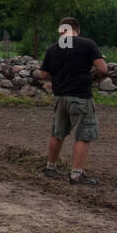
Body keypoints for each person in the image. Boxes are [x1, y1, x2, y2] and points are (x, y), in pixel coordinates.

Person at [34, 17, 108, 185]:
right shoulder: (88, 44)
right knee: (84, 134)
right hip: (80, 96)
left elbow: (44, 75)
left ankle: (50, 167)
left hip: (60, 96)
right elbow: (103, 69)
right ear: (77, 29)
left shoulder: (53, 48)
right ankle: (76, 174)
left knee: (58, 132)